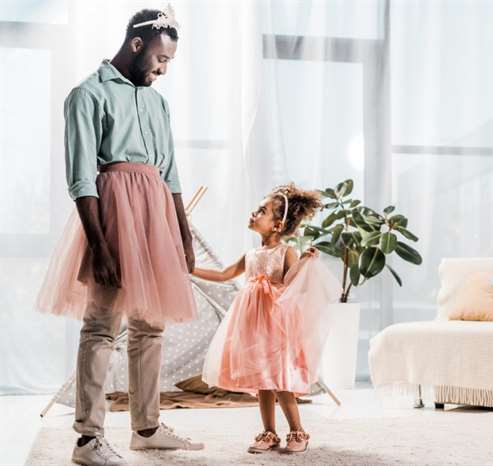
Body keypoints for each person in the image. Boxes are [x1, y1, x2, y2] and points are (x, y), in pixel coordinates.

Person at [35, 6, 203, 465]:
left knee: (151, 324)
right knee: (101, 325)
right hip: (112, 215)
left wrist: (182, 236)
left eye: (169, 62)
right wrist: (99, 243)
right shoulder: (87, 95)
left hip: (154, 215)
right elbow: (81, 178)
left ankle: (146, 427)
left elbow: (169, 173)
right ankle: (88, 439)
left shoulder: (157, 101)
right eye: (160, 60)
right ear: (136, 46)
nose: (163, 70)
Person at [193, 183, 339, 455]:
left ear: (277, 225)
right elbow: (224, 274)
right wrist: (190, 269)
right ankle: (269, 432)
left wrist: (306, 263)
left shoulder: (285, 253)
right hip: (251, 326)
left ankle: (298, 430)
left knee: (280, 379)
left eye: (262, 211)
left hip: (276, 325)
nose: (254, 213)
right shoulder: (250, 255)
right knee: (263, 381)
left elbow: (295, 283)